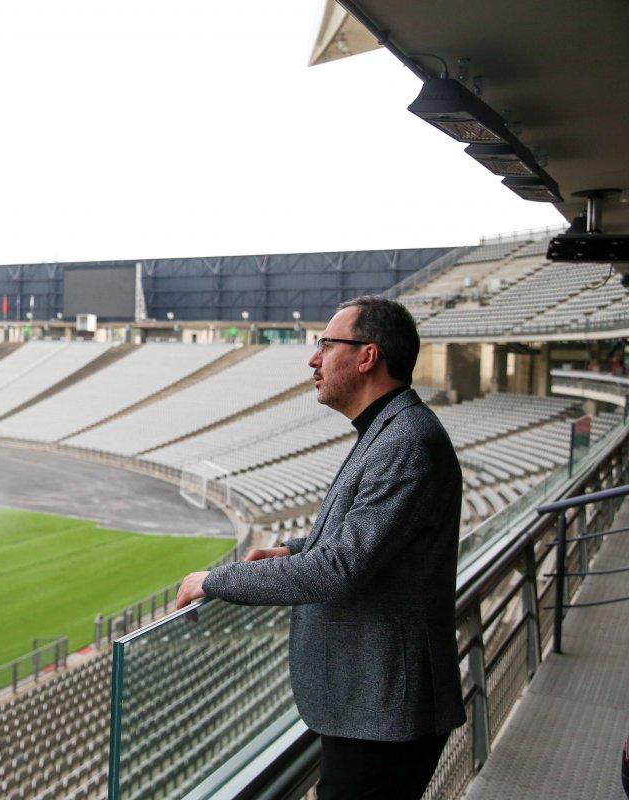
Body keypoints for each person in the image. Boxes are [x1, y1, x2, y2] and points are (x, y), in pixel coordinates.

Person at [176, 296, 466, 800]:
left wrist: (214, 581)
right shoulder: (389, 430)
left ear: (367, 356)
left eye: (326, 345)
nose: (314, 359)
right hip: (372, 705)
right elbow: (371, 538)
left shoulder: (405, 442)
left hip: (384, 711)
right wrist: (293, 549)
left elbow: (337, 570)